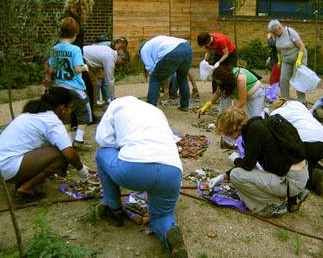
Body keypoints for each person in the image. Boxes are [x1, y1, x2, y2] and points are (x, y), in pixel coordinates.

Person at [94, 96, 187, 257]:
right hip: (172, 170)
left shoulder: (115, 105)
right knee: (162, 216)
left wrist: (123, 145)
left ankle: (113, 208)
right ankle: (169, 233)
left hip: (135, 169)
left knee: (101, 154)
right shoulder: (155, 111)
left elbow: (103, 140)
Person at [214, 107, 309, 217]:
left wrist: (234, 161)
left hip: (291, 181)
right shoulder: (260, 123)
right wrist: (225, 175)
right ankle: (295, 195)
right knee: (256, 170)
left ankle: (272, 206)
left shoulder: (253, 132)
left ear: (232, 128)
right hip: (300, 174)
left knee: (236, 175)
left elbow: (248, 166)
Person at [0, 87, 89, 201]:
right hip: (8, 167)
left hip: (5, 163)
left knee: (56, 148)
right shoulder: (51, 121)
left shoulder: (31, 114)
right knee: (61, 154)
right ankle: (25, 188)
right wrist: (82, 170)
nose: (70, 111)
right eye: (70, 108)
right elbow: (70, 154)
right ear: (62, 108)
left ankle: (24, 180)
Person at [270, 99, 323, 195]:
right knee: (307, 158)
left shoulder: (275, 113)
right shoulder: (298, 104)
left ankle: (313, 176)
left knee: (289, 161)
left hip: (306, 141)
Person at [49, 17, 92, 150]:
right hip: (75, 87)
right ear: (75, 35)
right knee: (85, 112)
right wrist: (85, 66)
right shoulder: (75, 49)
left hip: (59, 86)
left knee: (64, 112)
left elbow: (51, 69)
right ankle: (78, 139)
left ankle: (65, 141)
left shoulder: (55, 48)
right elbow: (76, 68)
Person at [62, 0, 96, 121]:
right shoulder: (72, 20)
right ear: (81, 5)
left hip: (69, 58)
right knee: (87, 88)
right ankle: (87, 117)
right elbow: (73, 44)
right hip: (74, 60)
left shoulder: (67, 17)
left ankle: (75, 120)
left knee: (76, 89)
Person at [139, 35, 192, 111]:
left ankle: (151, 108)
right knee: (182, 77)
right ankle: (185, 105)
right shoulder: (156, 42)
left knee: (155, 79)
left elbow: (151, 69)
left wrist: (160, 84)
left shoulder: (143, 50)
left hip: (171, 51)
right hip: (187, 48)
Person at [198, 65, 265, 118]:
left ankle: (264, 113)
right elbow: (217, 93)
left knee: (255, 119)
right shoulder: (224, 81)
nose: (217, 83)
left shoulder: (240, 78)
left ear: (224, 80)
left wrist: (228, 112)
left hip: (255, 94)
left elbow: (242, 102)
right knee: (225, 96)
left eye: (218, 81)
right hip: (243, 95)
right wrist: (206, 106)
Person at [267, 19, 308, 104]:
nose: (273, 34)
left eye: (274, 32)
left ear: (279, 28)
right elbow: (278, 48)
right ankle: (285, 100)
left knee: (298, 80)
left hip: (298, 57)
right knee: (283, 79)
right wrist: (279, 60)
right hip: (286, 59)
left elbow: (301, 45)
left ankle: (302, 102)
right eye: (272, 32)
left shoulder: (290, 32)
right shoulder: (276, 35)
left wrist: (299, 59)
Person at [83, 37, 129, 105]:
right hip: (82, 58)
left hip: (86, 58)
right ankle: (93, 104)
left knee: (97, 81)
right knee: (93, 83)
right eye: (122, 63)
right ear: (121, 57)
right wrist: (113, 97)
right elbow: (110, 79)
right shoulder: (110, 57)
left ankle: (97, 101)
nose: (121, 65)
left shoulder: (110, 52)